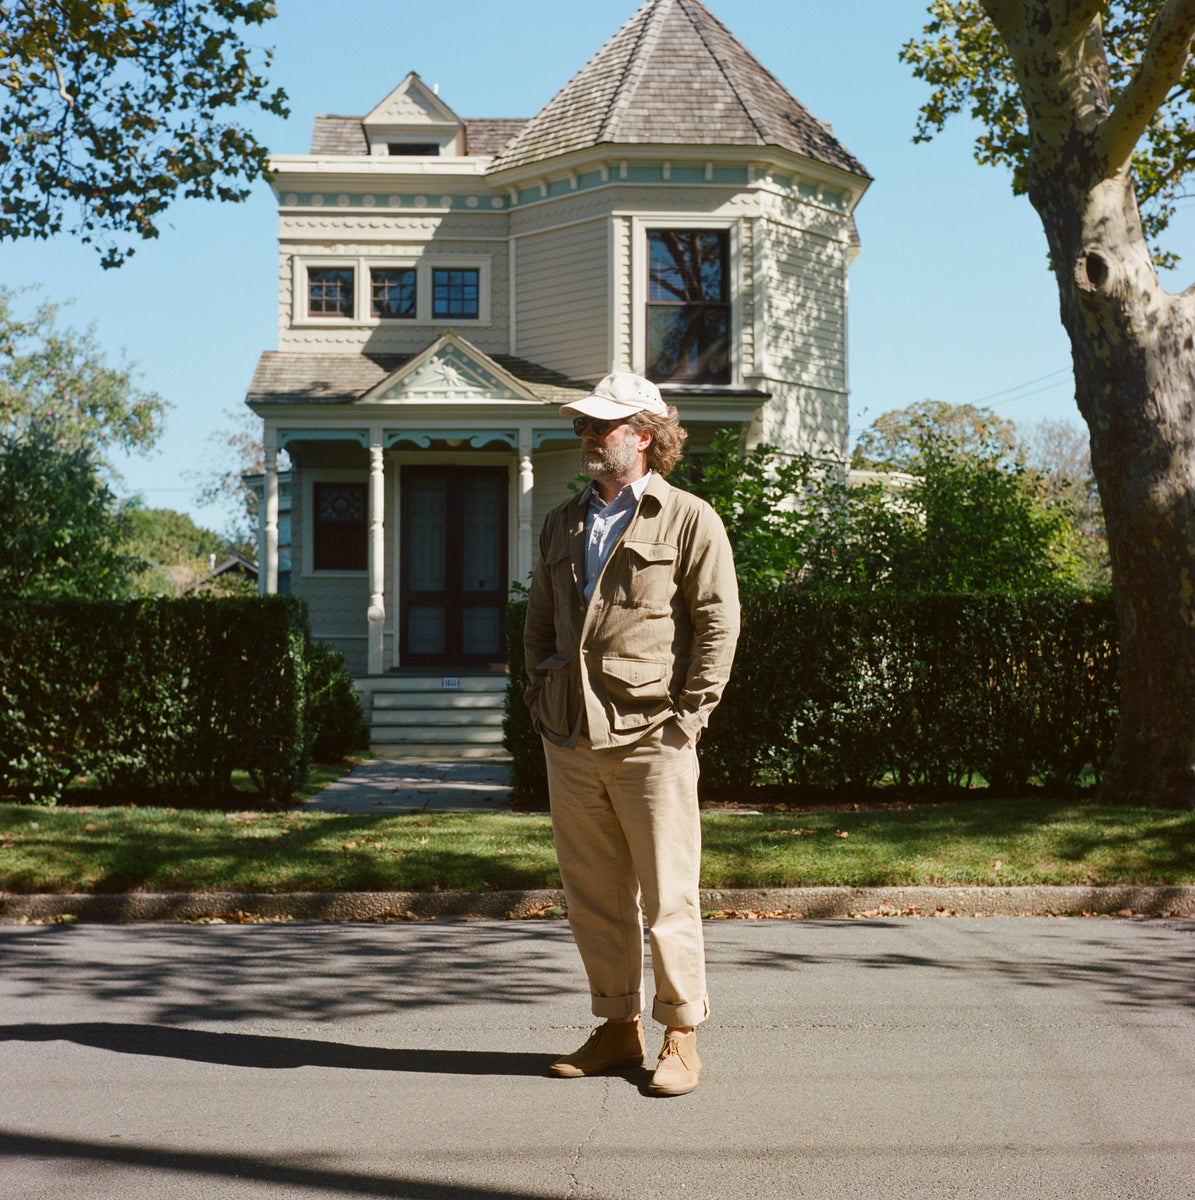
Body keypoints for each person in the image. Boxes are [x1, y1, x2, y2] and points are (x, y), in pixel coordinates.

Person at [523, 370, 740, 1097]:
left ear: (642, 436)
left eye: (602, 425)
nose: (586, 435)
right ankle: (618, 1029)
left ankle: (681, 1033)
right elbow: (540, 623)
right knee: (593, 895)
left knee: (667, 894)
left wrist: (690, 717)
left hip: (654, 736)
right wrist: (541, 700)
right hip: (571, 734)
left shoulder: (687, 519)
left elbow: (717, 623)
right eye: (582, 424)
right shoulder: (560, 522)